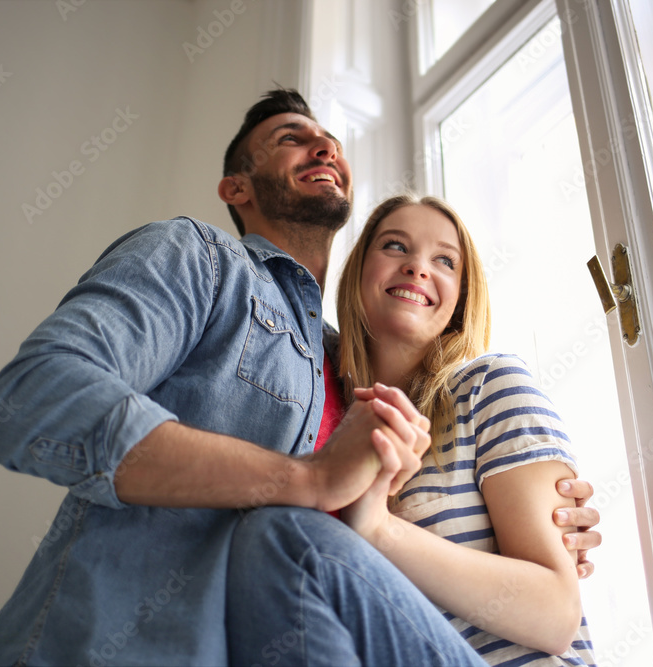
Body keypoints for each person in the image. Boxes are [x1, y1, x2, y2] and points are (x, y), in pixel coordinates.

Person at [0, 89, 600, 666]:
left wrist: (543, 523)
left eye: (331, 141)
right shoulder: (198, 258)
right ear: (236, 188)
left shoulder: (356, 381)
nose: (324, 147)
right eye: (291, 138)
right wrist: (308, 478)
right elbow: (36, 396)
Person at [228, 194, 597, 666]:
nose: (418, 267)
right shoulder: (332, 426)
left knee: (278, 532)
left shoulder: (491, 386)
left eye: (445, 260)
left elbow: (557, 616)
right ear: (359, 274)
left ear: (461, 298)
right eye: (395, 246)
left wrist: (379, 529)